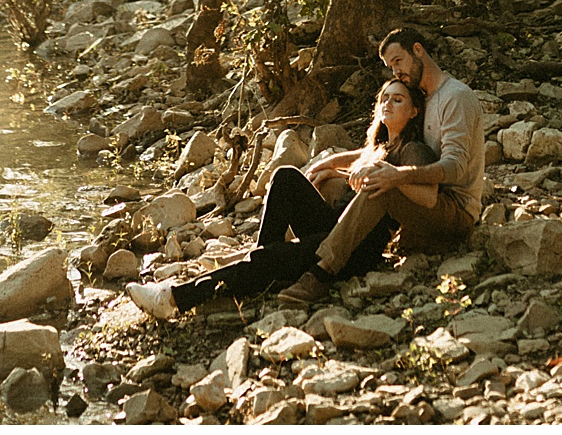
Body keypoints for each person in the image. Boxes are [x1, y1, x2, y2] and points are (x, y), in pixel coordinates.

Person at [125, 79, 435, 319]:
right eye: (384, 99)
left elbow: (415, 193)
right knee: (286, 176)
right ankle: (262, 260)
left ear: (414, 111)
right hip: (333, 229)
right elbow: (354, 163)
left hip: (353, 250)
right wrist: (329, 170)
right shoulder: (379, 147)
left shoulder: (413, 151)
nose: (388, 104)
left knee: (269, 260)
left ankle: (173, 299)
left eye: (398, 100)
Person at [275, 27, 484, 305]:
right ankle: (289, 248)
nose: (395, 71)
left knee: (380, 185)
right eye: (389, 66)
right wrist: (332, 162)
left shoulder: (455, 97)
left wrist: (396, 176)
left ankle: (322, 273)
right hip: (420, 198)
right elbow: (391, 148)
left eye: (398, 61)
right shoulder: (422, 97)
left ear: (418, 51)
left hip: (453, 211)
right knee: (332, 182)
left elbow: (455, 167)